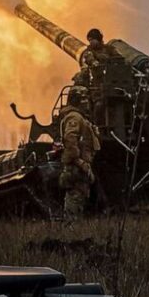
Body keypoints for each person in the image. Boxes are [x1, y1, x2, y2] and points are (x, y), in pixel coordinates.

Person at [59, 85, 101, 219]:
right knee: (75, 197)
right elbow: (70, 139)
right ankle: (70, 229)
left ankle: (73, 229)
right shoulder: (75, 118)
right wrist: (80, 162)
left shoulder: (79, 118)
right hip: (76, 167)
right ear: (78, 101)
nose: (88, 103)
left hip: (80, 167)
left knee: (80, 197)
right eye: (85, 99)